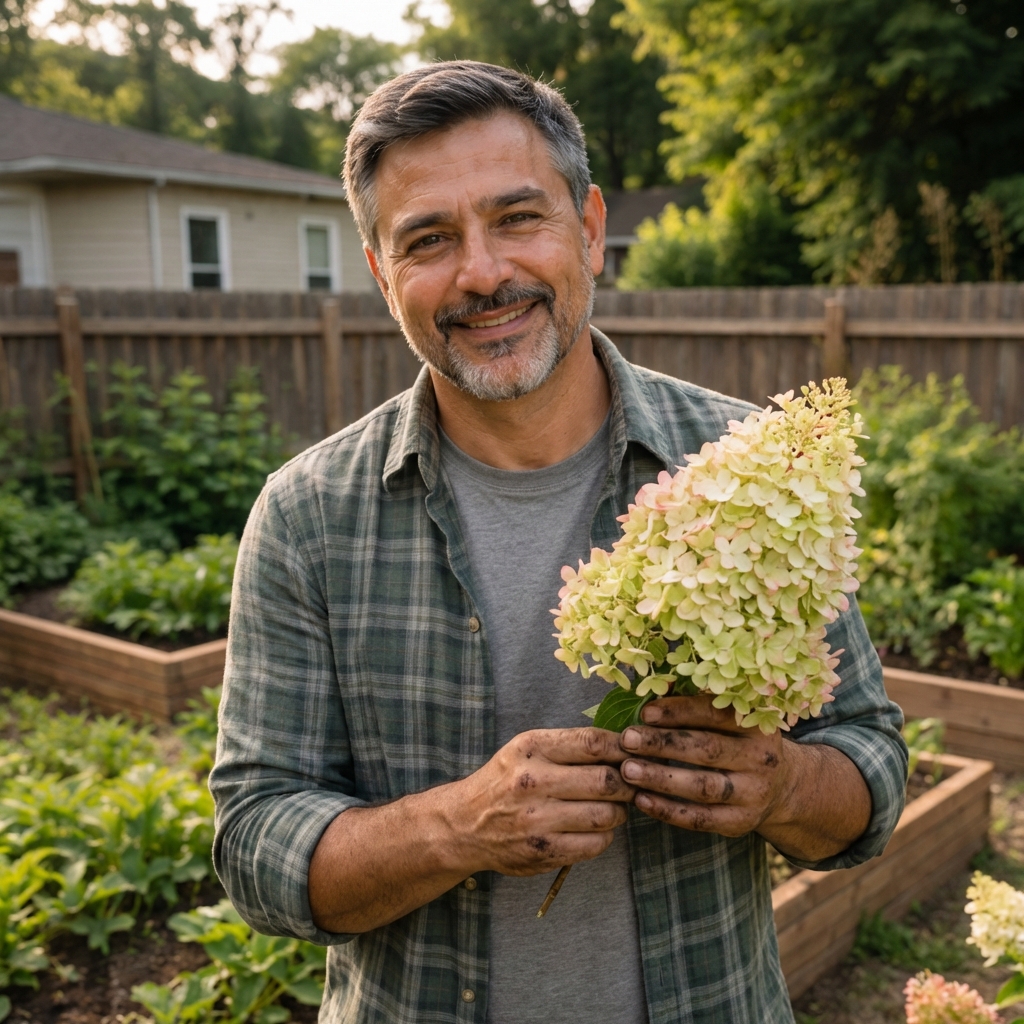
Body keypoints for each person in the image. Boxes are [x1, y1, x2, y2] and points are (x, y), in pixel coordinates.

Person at [210, 61, 908, 1024]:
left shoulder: (755, 471)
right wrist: (458, 827)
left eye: (518, 217)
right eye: (428, 239)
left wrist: (782, 783)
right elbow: (255, 847)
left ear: (589, 228)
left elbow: (870, 765)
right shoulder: (307, 518)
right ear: (380, 274)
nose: (484, 271)